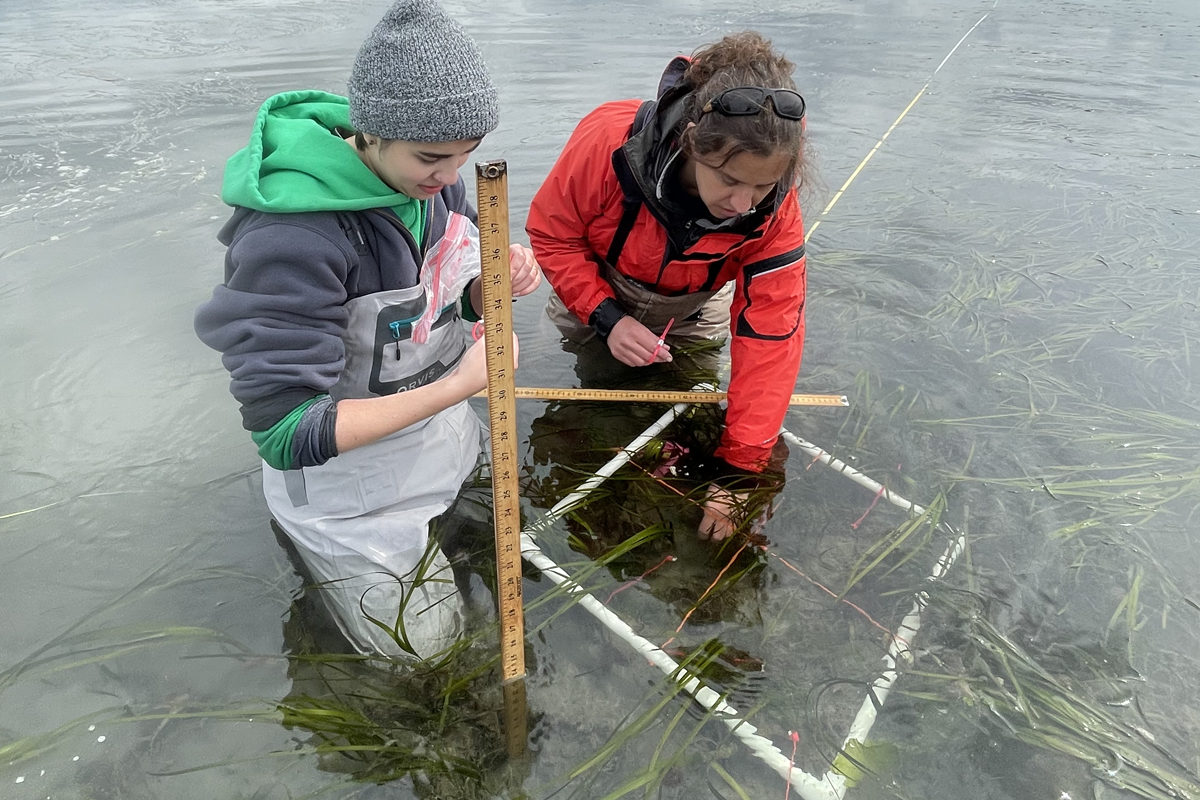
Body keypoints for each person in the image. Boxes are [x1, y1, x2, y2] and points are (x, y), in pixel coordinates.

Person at [194, 0, 540, 658]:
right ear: (371, 132)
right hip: (342, 488)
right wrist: (464, 383)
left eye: (466, 156)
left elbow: (434, 307)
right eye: (432, 157)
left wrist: (483, 293)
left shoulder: (434, 190)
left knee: (496, 558)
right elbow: (284, 430)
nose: (448, 178)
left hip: (435, 445)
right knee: (425, 651)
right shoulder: (293, 238)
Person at [526, 31, 809, 543]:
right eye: (728, 178)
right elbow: (553, 235)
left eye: (762, 186)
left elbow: (771, 337)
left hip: (694, 307)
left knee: (688, 400)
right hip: (599, 286)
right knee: (601, 393)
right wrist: (605, 317)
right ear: (693, 141)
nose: (743, 203)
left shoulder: (775, 213)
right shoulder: (608, 142)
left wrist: (741, 471)